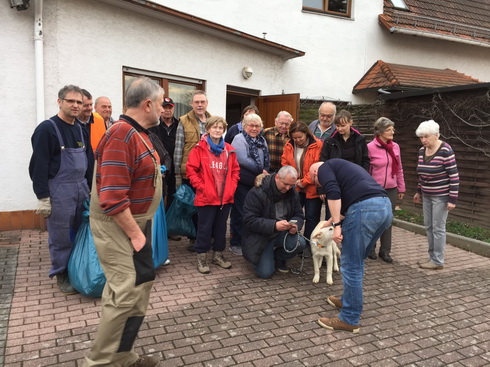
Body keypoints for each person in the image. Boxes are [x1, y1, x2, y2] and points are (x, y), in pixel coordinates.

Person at [84, 77, 164, 367]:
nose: (163, 108)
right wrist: (136, 234)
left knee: (139, 289)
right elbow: (113, 198)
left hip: (136, 224)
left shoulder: (137, 133)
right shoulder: (121, 134)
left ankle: (123, 356)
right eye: (160, 103)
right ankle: (100, 363)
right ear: (147, 104)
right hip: (121, 225)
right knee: (125, 291)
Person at [309, 159, 392, 333]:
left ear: (315, 173)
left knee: (350, 265)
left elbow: (333, 192)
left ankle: (349, 318)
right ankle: (348, 300)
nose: (319, 186)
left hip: (364, 210)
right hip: (384, 207)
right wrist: (331, 221)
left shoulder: (324, 168)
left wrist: (336, 226)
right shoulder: (345, 168)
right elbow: (350, 198)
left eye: (316, 182)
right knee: (358, 260)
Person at [28, 84, 92, 294]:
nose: (75, 105)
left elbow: (88, 161)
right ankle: (62, 272)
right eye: (70, 101)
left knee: (81, 229)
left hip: (81, 187)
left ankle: (77, 266)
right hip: (59, 190)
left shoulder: (80, 128)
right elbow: (39, 164)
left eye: (79, 102)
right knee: (61, 235)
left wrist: (90, 187)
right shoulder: (47, 129)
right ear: (59, 102)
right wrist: (43, 196)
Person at [186, 116, 240, 273]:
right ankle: (201, 257)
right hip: (206, 197)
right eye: (214, 127)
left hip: (225, 197)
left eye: (220, 128)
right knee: (204, 228)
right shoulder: (199, 149)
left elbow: (236, 170)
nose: (217, 130)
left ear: (223, 130)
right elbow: (191, 170)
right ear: (208, 129)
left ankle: (218, 255)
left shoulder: (229, 150)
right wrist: (202, 187)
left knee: (221, 228)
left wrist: (233, 186)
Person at [241, 166, 307, 278]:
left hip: (281, 232)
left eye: (291, 185)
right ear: (277, 177)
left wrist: (296, 225)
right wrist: (274, 225)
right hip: (260, 236)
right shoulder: (257, 192)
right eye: (285, 184)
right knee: (265, 273)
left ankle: (278, 257)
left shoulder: (293, 193)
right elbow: (249, 220)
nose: (288, 188)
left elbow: (299, 215)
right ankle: (263, 257)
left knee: (300, 243)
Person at [413, 120, 459, 270]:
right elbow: (422, 174)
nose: (423, 140)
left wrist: (452, 199)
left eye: (426, 137)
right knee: (428, 226)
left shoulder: (445, 150)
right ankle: (431, 257)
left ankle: (438, 260)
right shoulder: (422, 151)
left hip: (441, 196)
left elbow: (454, 176)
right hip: (427, 195)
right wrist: (419, 191)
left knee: (438, 228)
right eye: (421, 137)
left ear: (436, 135)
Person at [174, 90, 211, 251]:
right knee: (193, 206)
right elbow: (178, 147)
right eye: (196, 102)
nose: (200, 105)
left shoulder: (212, 121)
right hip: (191, 171)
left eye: (202, 102)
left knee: (206, 206)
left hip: (209, 172)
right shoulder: (184, 121)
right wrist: (177, 173)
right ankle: (194, 238)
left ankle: (205, 236)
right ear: (192, 104)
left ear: (206, 103)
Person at [230, 113, 270, 256]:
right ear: (245, 126)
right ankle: (236, 243)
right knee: (239, 212)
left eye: (257, 126)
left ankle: (249, 240)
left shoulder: (261, 140)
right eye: (251, 125)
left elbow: (267, 157)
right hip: (242, 182)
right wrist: (261, 170)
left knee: (254, 213)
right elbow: (242, 159)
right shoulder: (239, 139)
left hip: (257, 183)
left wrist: (266, 170)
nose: (254, 128)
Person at [367, 117, 406, 263]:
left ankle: (385, 251)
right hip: (375, 189)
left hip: (391, 189)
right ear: (380, 131)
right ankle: (370, 248)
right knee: (374, 220)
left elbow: (399, 168)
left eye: (392, 129)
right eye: (389, 130)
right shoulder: (370, 147)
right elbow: (366, 171)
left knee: (388, 220)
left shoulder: (395, 147)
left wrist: (401, 187)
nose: (392, 132)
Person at [281, 122, 323, 243]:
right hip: (294, 187)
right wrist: (293, 181)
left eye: (300, 137)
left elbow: (317, 167)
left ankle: (308, 244)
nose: (298, 140)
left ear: (306, 134)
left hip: (312, 187)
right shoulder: (289, 145)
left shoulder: (318, 145)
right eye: (295, 138)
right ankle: (292, 242)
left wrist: (303, 182)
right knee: (293, 216)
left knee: (311, 217)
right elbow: (285, 164)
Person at [149, 97, 181, 241]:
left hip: (175, 167)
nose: (167, 110)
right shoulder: (154, 126)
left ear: (173, 108)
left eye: (170, 107)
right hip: (159, 167)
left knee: (174, 196)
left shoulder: (180, 125)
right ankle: (159, 229)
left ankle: (170, 228)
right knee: (160, 196)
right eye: (165, 107)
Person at [79, 89, 106, 154]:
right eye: (86, 105)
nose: (89, 108)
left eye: (91, 105)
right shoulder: (71, 121)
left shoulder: (99, 119)